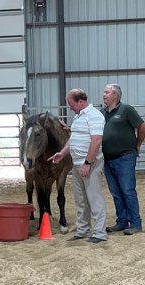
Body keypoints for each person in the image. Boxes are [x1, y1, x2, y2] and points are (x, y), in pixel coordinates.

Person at [48, 89, 107, 243]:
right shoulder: (79, 116)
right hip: (77, 163)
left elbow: (96, 140)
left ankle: (99, 233)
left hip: (90, 163)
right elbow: (73, 139)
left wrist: (88, 163)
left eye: (71, 104)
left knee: (94, 198)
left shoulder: (94, 116)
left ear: (81, 102)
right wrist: (62, 153)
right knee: (80, 199)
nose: (70, 108)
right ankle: (83, 230)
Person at [101, 84, 145, 235]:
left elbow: (142, 126)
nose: (103, 94)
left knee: (128, 191)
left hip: (125, 157)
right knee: (116, 192)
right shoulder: (102, 113)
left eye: (107, 92)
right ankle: (121, 221)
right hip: (108, 159)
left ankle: (135, 223)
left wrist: (137, 145)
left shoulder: (126, 109)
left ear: (116, 95)